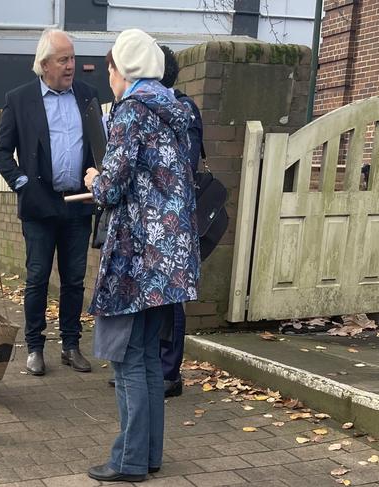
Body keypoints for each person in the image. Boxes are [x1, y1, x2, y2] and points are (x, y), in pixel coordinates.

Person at [83, 30, 200, 481]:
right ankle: (148, 455)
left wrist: (95, 176)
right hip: (171, 259)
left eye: (109, 67)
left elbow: (111, 187)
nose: (108, 76)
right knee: (149, 358)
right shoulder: (177, 109)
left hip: (137, 258)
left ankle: (129, 461)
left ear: (124, 69)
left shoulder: (131, 111)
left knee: (130, 360)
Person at [0, 28, 98, 376]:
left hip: (79, 204)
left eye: (72, 58)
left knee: (74, 279)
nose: (71, 65)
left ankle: (71, 344)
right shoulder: (19, 98)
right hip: (39, 206)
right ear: (44, 64)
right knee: (37, 278)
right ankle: (35, 347)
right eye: (63, 59)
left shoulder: (87, 95)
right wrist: (21, 183)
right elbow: (1, 151)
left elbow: (99, 145)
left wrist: (97, 171)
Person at [158, 45, 205, 398]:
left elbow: (184, 167)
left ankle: (169, 372)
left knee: (172, 297)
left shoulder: (182, 109)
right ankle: (151, 367)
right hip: (151, 222)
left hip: (172, 222)